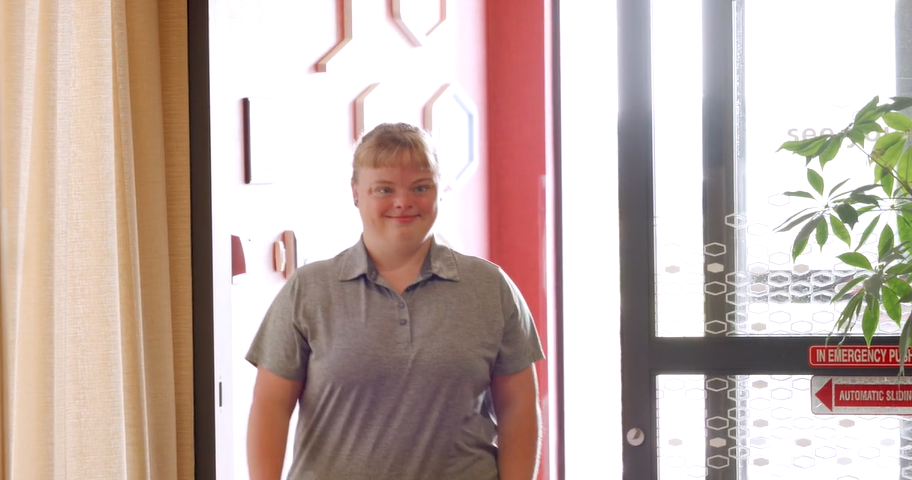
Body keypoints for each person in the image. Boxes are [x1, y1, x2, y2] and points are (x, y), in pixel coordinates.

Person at [245, 122, 545, 480]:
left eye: (420, 187)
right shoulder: (308, 290)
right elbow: (270, 407)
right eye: (384, 189)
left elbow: (519, 409)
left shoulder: (491, 288)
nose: (403, 202)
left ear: (440, 191)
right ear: (356, 192)